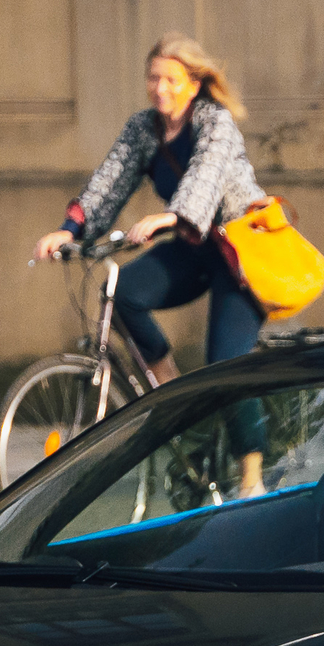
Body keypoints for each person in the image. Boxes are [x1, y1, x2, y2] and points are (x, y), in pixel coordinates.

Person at [35, 34, 271, 493]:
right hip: (190, 246)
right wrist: (71, 228)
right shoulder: (143, 129)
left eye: (170, 79)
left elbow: (206, 174)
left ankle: (253, 476)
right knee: (122, 292)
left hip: (236, 250)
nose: (159, 88)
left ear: (194, 83)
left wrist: (170, 215)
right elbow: (110, 179)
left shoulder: (214, 122)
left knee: (225, 363)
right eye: (153, 78)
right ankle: (174, 393)